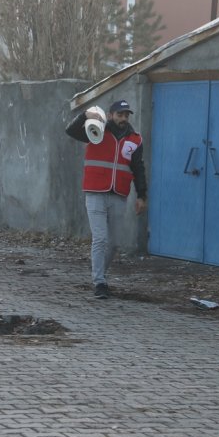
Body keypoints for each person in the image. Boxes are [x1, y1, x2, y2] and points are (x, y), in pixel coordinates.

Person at [65, 99, 147, 299]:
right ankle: (99, 282)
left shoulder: (135, 139)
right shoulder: (97, 130)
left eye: (126, 115)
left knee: (114, 243)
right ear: (110, 115)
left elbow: (138, 168)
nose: (123, 118)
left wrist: (142, 195)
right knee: (100, 238)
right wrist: (85, 116)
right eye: (120, 114)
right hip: (95, 192)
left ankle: (99, 270)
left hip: (118, 195)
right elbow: (71, 131)